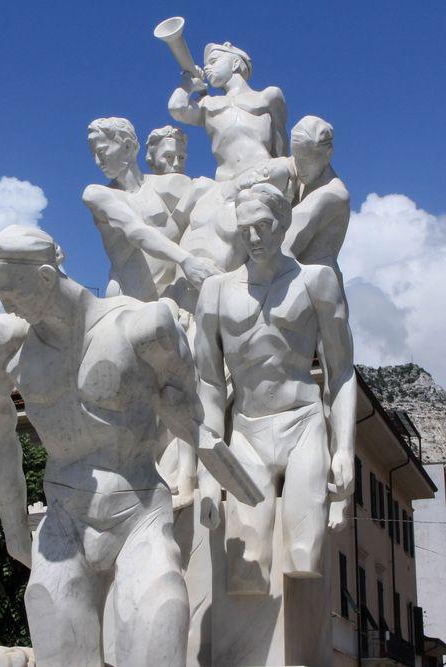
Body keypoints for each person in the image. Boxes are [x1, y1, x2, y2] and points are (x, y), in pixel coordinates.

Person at [0, 226, 259, 665]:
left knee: (158, 641)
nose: (5, 304)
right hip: (64, 523)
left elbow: (194, 416)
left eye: (11, 291)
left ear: (47, 277)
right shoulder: (4, 346)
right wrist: (13, 527)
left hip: (139, 514)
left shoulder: (145, 326)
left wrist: (197, 457)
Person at [193, 184, 358, 592]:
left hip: (303, 425)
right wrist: (210, 471)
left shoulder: (315, 281)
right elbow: (209, 384)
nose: (253, 237)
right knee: (245, 574)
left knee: (304, 557)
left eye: (263, 225)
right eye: (245, 227)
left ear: (283, 223)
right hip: (246, 431)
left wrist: (345, 449)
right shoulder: (215, 291)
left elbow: (340, 372)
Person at [83, 117, 220, 302]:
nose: (98, 162)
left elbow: (210, 194)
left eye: (101, 151)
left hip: (174, 296)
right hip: (129, 299)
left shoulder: (164, 185)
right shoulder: (98, 194)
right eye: (94, 155)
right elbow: (136, 231)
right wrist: (187, 261)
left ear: (128, 147)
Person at [168, 42, 288, 182]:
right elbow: (176, 108)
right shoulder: (207, 104)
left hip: (261, 172)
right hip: (226, 181)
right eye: (206, 64)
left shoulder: (268, 96)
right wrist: (188, 82)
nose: (207, 68)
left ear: (235, 63)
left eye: (213, 61)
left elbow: (281, 147)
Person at [283, 116, 350, 281]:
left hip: (316, 288)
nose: (298, 167)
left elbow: (283, 249)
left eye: (306, 160)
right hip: (295, 280)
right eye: (296, 158)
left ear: (328, 154)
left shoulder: (332, 195)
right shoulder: (304, 176)